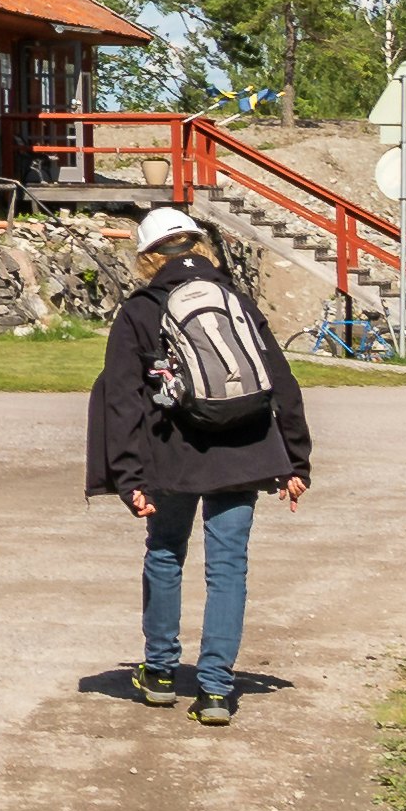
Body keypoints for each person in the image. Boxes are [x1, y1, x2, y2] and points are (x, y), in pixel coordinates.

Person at [84, 202, 313, 725]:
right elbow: (281, 381)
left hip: (171, 457)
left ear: (146, 257)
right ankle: (214, 690)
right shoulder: (238, 301)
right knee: (228, 568)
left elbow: (122, 400)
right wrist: (296, 460)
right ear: (200, 246)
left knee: (165, 554)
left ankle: (160, 674)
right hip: (246, 450)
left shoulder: (141, 310)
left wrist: (128, 477)